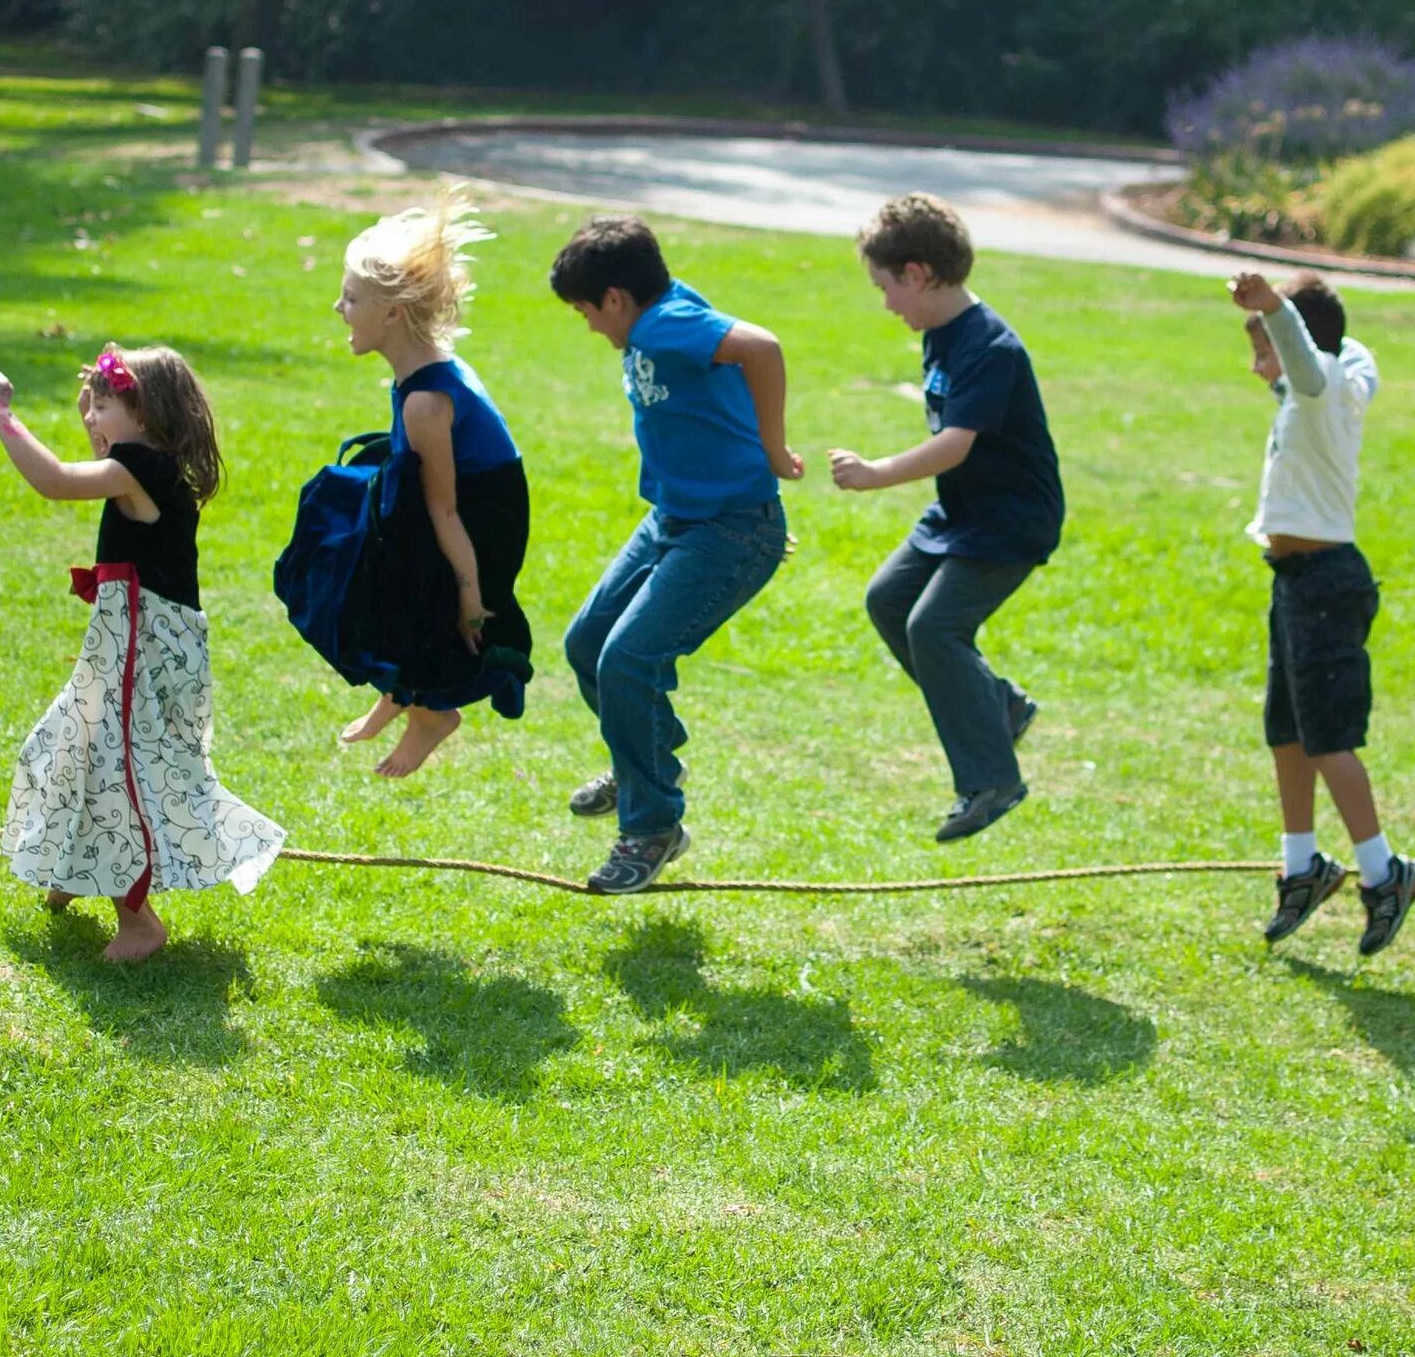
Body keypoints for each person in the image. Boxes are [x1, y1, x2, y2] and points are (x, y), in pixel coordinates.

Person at [0, 346, 285, 963]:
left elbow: (54, 482)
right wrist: (94, 409)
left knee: (122, 774)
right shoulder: (145, 462)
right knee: (68, 743)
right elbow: (97, 453)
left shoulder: (138, 467)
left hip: (143, 646)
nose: (92, 417)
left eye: (105, 404)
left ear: (143, 415)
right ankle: (71, 867)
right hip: (134, 640)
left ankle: (138, 919)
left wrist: (1, 416)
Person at [550, 216, 804, 893]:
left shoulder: (663, 324)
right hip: (672, 518)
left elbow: (764, 347)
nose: (592, 329)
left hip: (729, 530)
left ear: (615, 298)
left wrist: (775, 451)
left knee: (627, 660)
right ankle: (650, 764)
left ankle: (652, 825)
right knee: (588, 645)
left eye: (587, 313)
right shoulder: (661, 311)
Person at [827, 193, 1063, 842]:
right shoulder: (940, 334)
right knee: (888, 600)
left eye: (886, 288)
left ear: (919, 274)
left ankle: (992, 779)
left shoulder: (990, 347)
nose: (886, 303)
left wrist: (875, 473)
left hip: (1010, 521)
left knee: (934, 628)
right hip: (961, 513)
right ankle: (1000, 706)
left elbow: (955, 444)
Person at [1226, 269, 1415, 955]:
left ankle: (1384, 873)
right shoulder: (1332, 386)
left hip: (1326, 585)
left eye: (1264, 350)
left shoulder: (1320, 389)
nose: (1258, 368)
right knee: (1287, 731)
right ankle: (1302, 864)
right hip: (1294, 582)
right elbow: (1345, 349)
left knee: (1329, 738)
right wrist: (1290, 315)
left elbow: (1310, 358)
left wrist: (1277, 307)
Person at [329, 189, 534, 778]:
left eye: (350, 298)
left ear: (392, 313)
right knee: (376, 568)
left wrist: (472, 594)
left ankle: (431, 714)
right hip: (456, 502)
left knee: (423, 595)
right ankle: (398, 693)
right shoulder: (415, 372)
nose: (338, 308)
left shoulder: (426, 399)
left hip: (477, 517)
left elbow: (446, 513)